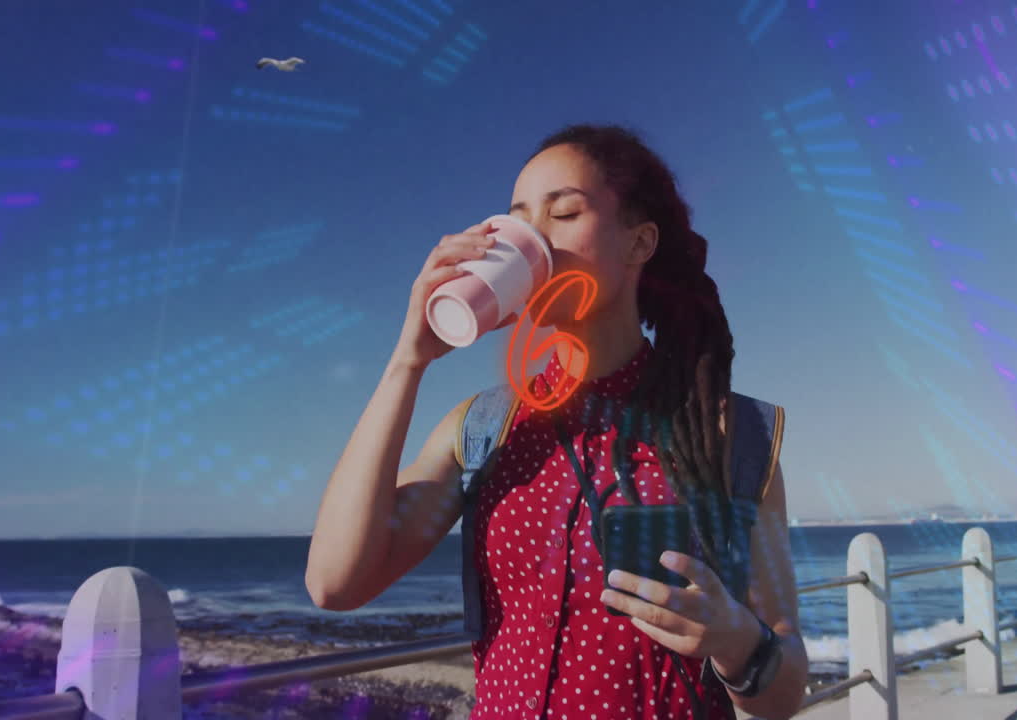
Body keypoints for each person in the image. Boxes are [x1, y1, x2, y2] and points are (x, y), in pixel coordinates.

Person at [305, 124, 808, 719]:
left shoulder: (728, 435)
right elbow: (335, 583)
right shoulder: (484, 428)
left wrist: (736, 642)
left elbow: (783, 693)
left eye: (564, 213)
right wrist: (407, 362)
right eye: (515, 221)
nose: (531, 241)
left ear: (639, 243)